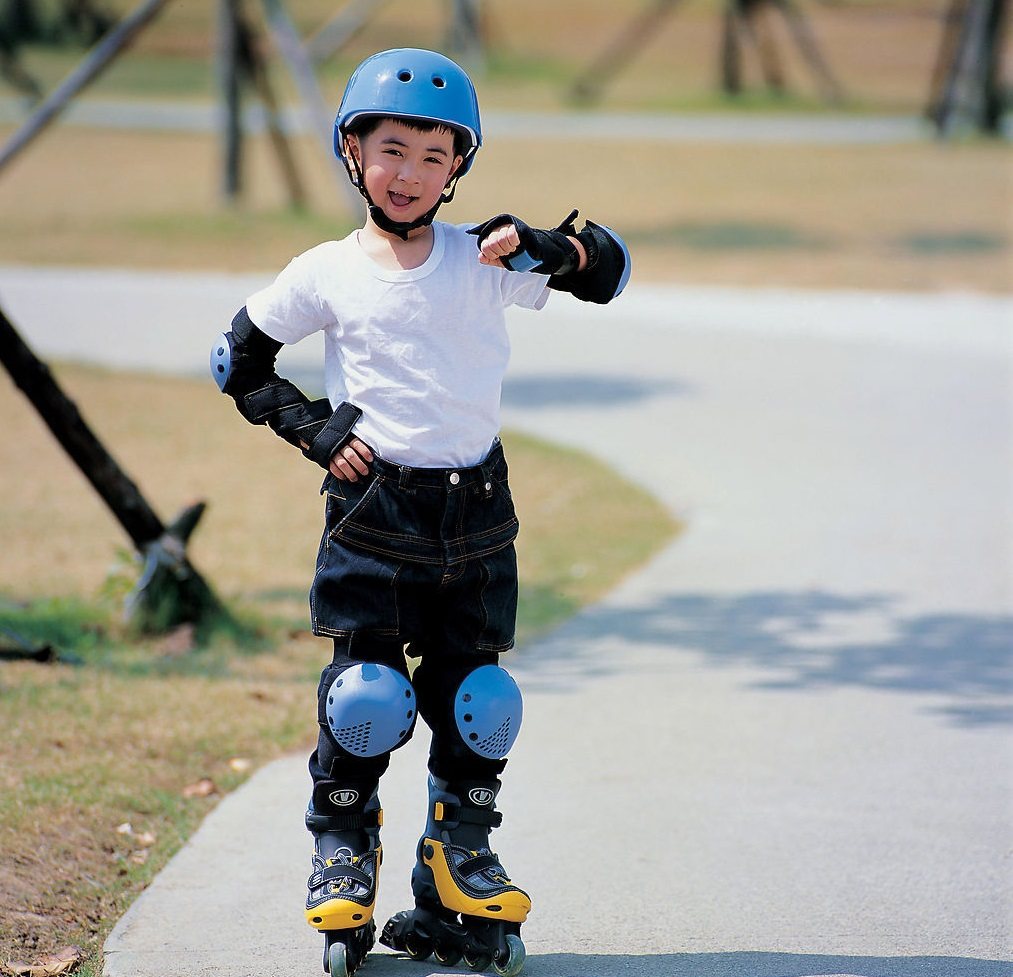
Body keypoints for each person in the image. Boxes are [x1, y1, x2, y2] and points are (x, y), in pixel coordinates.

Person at [211, 48, 630, 977]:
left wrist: (552, 245)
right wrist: (313, 430)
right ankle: (343, 846)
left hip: (476, 513)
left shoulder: (486, 256)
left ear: (458, 168)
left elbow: (609, 273)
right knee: (365, 695)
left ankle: (456, 858)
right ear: (352, 152)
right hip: (372, 514)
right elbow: (237, 359)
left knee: (480, 701)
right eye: (391, 149)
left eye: (434, 155)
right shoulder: (326, 270)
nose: (409, 173)